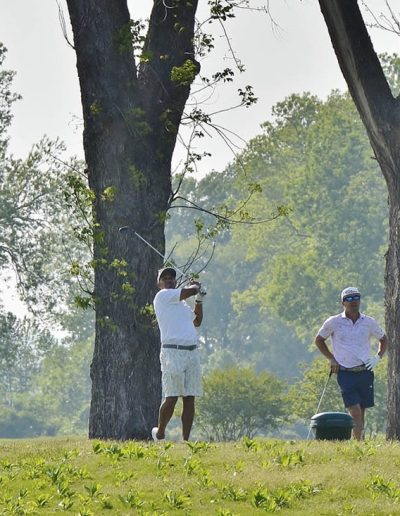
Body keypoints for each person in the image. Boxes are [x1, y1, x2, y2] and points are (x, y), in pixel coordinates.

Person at [315, 286, 387, 440]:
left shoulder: (368, 322)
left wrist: (378, 357)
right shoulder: (334, 322)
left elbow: (383, 339)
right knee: (355, 411)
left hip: (365, 371)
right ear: (343, 302)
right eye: (349, 299)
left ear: (359, 300)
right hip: (345, 372)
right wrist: (331, 358)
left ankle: (358, 443)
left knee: (362, 410)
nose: (353, 301)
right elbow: (319, 340)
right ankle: (358, 443)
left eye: (356, 297)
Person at [151, 266, 205, 442]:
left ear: (175, 281)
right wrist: (195, 288)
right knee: (172, 396)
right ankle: (160, 434)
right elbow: (188, 291)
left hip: (191, 352)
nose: (169, 280)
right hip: (172, 352)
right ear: (159, 284)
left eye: (171, 278)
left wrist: (199, 300)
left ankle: (186, 441)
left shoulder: (182, 304)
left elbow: (197, 321)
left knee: (190, 397)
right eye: (164, 278)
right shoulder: (162, 296)